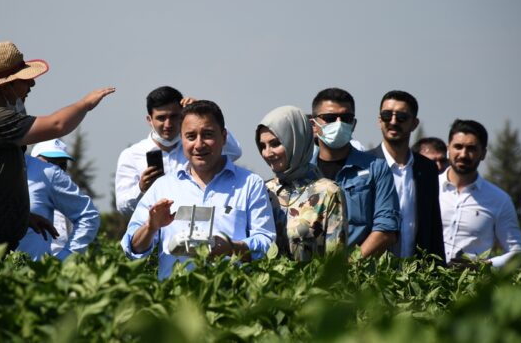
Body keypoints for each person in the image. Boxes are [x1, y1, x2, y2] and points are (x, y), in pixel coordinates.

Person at [0, 41, 114, 252]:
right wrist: (85, 104)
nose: (32, 84)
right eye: (24, 79)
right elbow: (57, 124)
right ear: (6, 86)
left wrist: (22, 217)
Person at [121, 100, 275, 280]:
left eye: (208, 134)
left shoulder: (250, 184)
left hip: (233, 299)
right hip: (176, 298)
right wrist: (150, 227)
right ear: (182, 139)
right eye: (191, 136)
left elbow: (267, 243)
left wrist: (231, 247)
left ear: (224, 137)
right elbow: (132, 249)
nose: (199, 144)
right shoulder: (162, 187)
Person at [115, 86, 242, 217]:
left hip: (196, 224)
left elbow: (234, 152)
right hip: (154, 230)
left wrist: (204, 114)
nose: (168, 124)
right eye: (161, 118)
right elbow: (123, 208)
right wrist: (141, 189)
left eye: (174, 116)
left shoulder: (196, 148)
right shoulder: (131, 155)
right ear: (149, 120)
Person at [310, 87, 400, 257]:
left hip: (359, 276)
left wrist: (347, 267)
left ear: (354, 124)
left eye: (346, 118)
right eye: (329, 118)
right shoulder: (304, 173)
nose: (338, 124)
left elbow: (386, 229)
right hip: (310, 276)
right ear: (313, 125)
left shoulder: (376, 168)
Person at [256, 105, 347, 261]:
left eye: (275, 143)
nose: (267, 153)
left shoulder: (328, 192)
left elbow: (335, 260)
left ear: (296, 140)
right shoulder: (261, 191)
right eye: (263, 146)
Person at [368, 91, 445, 259]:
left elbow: (433, 225)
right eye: (387, 115)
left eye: (401, 117)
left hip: (417, 275)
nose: (393, 122)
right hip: (372, 273)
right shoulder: (365, 165)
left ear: (414, 123)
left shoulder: (427, 169)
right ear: (379, 120)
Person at [439, 119, 521, 267]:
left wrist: (483, 265)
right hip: (424, 283)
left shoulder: (499, 199)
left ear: (483, 153)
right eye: (458, 147)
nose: (463, 154)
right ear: (448, 149)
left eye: (471, 148)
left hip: (472, 286)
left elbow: (517, 252)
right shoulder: (428, 188)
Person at [17, 139, 100, 260]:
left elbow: (89, 216)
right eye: (50, 162)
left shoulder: (66, 203)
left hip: (33, 273)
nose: (57, 169)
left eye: (63, 165)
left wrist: (64, 260)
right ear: (34, 158)